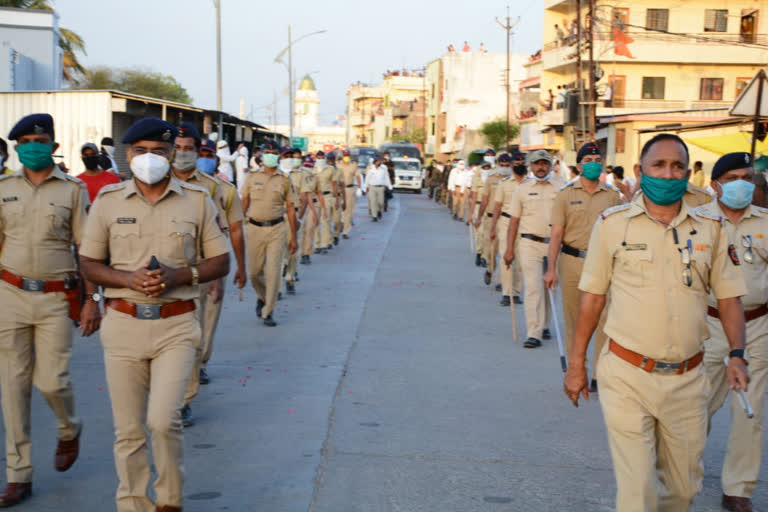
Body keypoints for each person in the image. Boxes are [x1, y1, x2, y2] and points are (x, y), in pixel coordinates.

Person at [564, 134, 749, 511]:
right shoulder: (613, 224)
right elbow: (593, 298)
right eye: (658, 166)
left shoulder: (711, 227)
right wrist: (576, 364)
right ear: (640, 171)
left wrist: (737, 354)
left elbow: (730, 298)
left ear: (687, 173)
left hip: (688, 380)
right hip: (627, 375)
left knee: (683, 492)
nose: (668, 174)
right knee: (638, 491)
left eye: (677, 166)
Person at [79, 117, 230, 512]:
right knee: (128, 430)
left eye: (160, 152)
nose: (151, 159)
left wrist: (179, 275)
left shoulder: (197, 200)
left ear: (172, 154)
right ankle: (132, 504)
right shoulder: (109, 202)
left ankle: (169, 502)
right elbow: (89, 262)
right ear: (129, 156)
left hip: (177, 325)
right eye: (142, 152)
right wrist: (127, 278)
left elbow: (220, 261)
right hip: (123, 323)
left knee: (164, 421)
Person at [0, 113, 99, 507]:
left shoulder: (74, 191)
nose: (31, 146)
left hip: (57, 297)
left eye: (38, 140)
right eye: (23, 141)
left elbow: (87, 250)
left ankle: (68, 427)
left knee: (53, 379)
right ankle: (18, 474)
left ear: (53, 145)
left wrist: (92, 300)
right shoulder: (3, 188)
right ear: (16, 148)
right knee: (13, 385)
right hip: (10, 293)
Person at [699, 152, 766, 512]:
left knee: (749, 412)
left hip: (757, 326)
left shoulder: (766, 222)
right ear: (715, 185)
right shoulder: (697, 221)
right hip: (708, 326)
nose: (744, 183)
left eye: (748, 177)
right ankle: (684, 473)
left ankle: (738, 488)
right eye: (734, 177)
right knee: (697, 407)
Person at [170, 124, 246, 424]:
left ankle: (184, 396)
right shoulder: (155, 183)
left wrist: (237, 266)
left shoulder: (217, 189)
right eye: (181, 148)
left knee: (195, 333)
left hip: (205, 269)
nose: (186, 154)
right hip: (168, 268)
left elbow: (236, 229)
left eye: (193, 149)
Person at [544, 143, 621, 390]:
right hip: (572, 261)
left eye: (597, 158)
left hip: (602, 263)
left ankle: (599, 373)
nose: (594, 162)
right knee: (574, 318)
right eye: (588, 159)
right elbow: (556, 234)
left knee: (604, 318)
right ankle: (577, 368)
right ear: (578, 165)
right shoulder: (565, 194)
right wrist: (551, 268)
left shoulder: (611, 195)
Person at [503, 149, 561, 348]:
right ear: (531, 166)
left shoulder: (561, 188)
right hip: (529, 243)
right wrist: (509, 249)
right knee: (533, 288)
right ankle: (533, 332)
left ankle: (544, 325)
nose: (541, 167)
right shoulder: (522, 189)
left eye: (545, 163)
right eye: (537, 163)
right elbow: (514, 221)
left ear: (551, 166)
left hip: (554, 245)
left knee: (549, 288)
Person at [241, 141, 298, 326]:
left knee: (273, 272)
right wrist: (236, 227)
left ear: (279, 156)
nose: (270, 155)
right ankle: (262, 296)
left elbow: (290, 208)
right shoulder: (251, 177)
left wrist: (294, 237)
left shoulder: (284, 179)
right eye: (267, 152)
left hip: (277, 228)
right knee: (255, 272)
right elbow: (244, 202)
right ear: (262, 155)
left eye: (274, 152)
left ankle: (269, 311)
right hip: (254, 228)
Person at [489, 153, 525, 306]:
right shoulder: (504, 183)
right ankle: (506, 293)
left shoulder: (530, 183)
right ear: (512, 165)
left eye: (521, 162)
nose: (518, 164)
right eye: (515, 162)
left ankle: (516, 292)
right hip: (506, 222)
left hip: (524, 224)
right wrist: (492, 227)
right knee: (506, 256)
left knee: (520, 260)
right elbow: (497, 206)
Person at [475, 159, 507, 286]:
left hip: (506, 219)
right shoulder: (491, 179)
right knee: (491, 250)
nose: (505, 167)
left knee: (504, 251)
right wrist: (479, 217)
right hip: (490, 218)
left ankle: (501, 281)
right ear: (498, 165)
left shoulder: (515, 181)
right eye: (502, 165)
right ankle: (490, 270)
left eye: (507, 165)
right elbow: (484, 200)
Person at [282, 148, 304, 294]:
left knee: (292, 249)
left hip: (293, 214)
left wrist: (298, 218)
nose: (291, 159)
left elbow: (304, 197)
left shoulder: (300, 175)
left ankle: (289, 278)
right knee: (277, 252)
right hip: (277, 216)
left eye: (293, 157)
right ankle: (277, 287)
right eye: (288, 156)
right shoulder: (276, 175)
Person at [299, 155, 323, 263]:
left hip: (312, 205)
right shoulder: (298, 175)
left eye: (309, 165)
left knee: (309, 230)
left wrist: (320, 210)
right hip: (300, 205)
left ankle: (306, 253)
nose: (307, 167)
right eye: (305, 165)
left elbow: (318, 192)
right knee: (299, 231)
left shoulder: (315, 177)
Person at [314, 151, 336, 253]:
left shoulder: (330, 169)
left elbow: (334, 183)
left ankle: (325, 244)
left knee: (325, 220)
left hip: (326, 196)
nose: (320, 159)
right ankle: (317, 244)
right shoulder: (312, 169)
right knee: (315, 221)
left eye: (322, 157)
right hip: (315, 197)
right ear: (316, 158)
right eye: (318, 158)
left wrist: (335, 198)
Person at [339, 149, 361, 239]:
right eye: (345, 156)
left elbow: (357, 176)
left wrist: (360, 187)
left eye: (348, 156)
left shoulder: (353, 165)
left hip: (349, 189)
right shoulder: (338, 165)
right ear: (342, 156)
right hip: (339, 189)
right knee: (338, 210)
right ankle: (340, 223)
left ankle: (345, 231)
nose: (346, 157)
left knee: (348, 211)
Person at [365, 157, 392, 221]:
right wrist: (366, 187)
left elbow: (386, 178)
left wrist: (389, 186)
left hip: (381, 188)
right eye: (377, 162)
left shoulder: (383, 170)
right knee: (373, 202)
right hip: (372, 187)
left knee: (381, 202)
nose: (378, 163)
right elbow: (367, 178)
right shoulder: (371, 170)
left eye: (379, 162)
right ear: (375, 163)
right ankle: (374, 216)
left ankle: (379, 210)